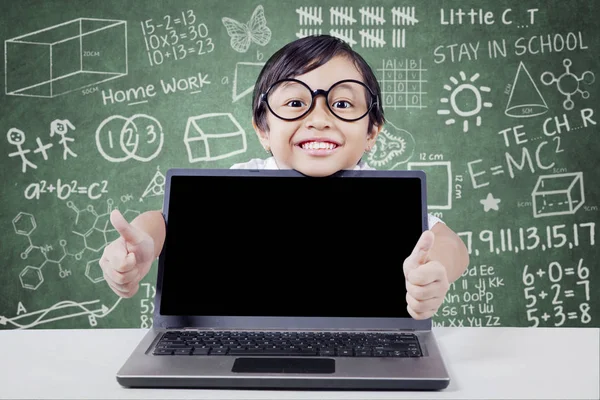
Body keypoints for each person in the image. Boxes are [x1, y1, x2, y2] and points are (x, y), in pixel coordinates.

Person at [99, 34, 469, 320]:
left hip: (368, 339)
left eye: (342, 104)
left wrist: (435, 271)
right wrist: (141, 243)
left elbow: (450, 244)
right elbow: (164, 222)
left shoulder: (389, 198)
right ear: (263, 129)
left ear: (372, 132)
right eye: (295, 103)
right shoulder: (235, 184)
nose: (319, 118)